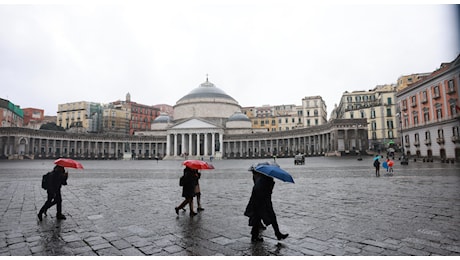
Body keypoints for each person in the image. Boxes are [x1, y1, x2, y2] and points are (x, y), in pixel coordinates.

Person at [244, 171, 288, 242]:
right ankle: (277, 234)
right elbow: (264, 191)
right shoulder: (264, 179)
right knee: (268, 217)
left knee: (257, 218)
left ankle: (255, 235)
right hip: (262, 202)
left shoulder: (263, 178)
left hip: (260, 202)